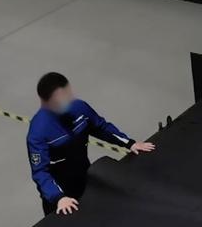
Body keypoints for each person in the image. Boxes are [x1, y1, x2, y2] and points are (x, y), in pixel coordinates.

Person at [27, 72, 154, 215]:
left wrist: (130, 143)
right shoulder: (38, 132)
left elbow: (101, 127)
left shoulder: (79, 108)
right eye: (62, 97)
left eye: (68, 94)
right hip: (61, 196)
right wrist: (59, 198)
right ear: (47, 101)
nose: (69, 99)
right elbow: (40, 172)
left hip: (85, 178)